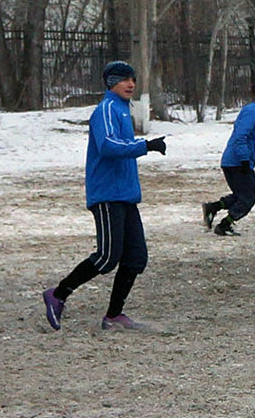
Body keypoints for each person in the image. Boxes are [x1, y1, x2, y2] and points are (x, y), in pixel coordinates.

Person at [40, 61, 166, 332]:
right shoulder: (106, 109)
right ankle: (58, 294)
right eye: (124, 80)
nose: (130, 84)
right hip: (108, 194)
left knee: (136, 257)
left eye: (132, 79)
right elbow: (108, 146)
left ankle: (114, 316)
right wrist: (145, 145)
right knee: (108, 257)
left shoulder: (122, 110)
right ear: (110, 83)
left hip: (125, 194)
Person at [202, 84, 255, 236]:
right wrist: (244, 160)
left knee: (241, 195)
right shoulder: (253, 111)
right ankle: (224, 225)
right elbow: (240, 137)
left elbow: (251, 142)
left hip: (234, 160)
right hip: (236, 162)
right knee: (248, 199)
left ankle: (213, 207)